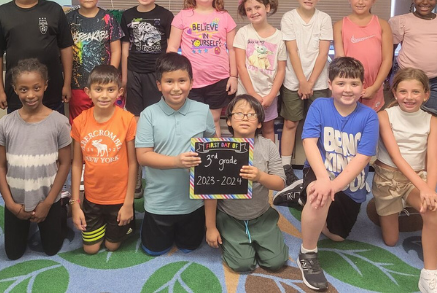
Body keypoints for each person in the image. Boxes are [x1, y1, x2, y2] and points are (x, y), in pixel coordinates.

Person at [283, 57, 379, 291]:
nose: (348, 89)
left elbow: (363, 158)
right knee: (320, 195)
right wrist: (325, 180)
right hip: (320, 172)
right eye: (341, 83)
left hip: (350, 183)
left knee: (337, 236)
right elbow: (309, 142)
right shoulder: (320, 106)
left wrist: (334, 186)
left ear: (362, 87)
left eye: (354, 84)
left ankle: (302, 196)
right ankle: (308, 253)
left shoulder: (369, 116)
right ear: (330, 84)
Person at [0, 58, 72, 260]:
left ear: (45, 85)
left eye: (36, 88)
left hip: (48, 198)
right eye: (23, 89)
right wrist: (9, 203)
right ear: (15, 89)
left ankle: (61, 210)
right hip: (17, 199)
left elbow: (65, 163)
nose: (31, 95)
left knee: (51, 249)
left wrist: (48, 202)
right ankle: (25, 220)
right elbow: (0, 166)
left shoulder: (60, 123)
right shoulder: (5, 124)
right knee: (13, 254)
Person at [372, 68, 437, 293]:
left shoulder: (432, 121)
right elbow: (396, 157)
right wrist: (425, 189)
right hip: (388, 180)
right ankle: (391, 208)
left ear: (426, 94)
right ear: (394, 92)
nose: (409, 97)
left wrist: (429, 192)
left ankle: (430, 275)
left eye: (416, 91)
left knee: (433, 210)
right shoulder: (384, 116)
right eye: (403, 91)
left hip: (417, 180)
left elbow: (433, 162)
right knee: (391, 240)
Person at [135, 52, 215, 255]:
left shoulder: (203, 110)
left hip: (193, 203)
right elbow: (143, 156)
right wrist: (176, 161)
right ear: (159, 85)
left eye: (182, 80)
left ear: (191, 82)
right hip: (159, 203)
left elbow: (212, 145)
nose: (176, 87)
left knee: (190, 246)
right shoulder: (148, 114)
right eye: (169, 81)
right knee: (153, 250)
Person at [205, 95, 288, 272]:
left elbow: (280, 183)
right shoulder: (219, 148)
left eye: (251, 115)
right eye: (239, 114)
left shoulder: (268, 146)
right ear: (228, 121)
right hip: (230, 217)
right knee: (242, 264)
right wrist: (211, 227)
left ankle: (266, 235)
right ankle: (229, 235)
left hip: (261, 215)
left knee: (276, 262)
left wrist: (260, 176)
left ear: (259, 123)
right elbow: (210, 191)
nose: (244, 118)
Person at [70, 65, 137, 254]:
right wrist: (76, 204)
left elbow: (133, 163)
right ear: (88, 92)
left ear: (119, 92)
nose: (104, 95)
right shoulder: (79, 122)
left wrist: (129, 203)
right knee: (90, 249)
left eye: (110, 89)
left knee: (111, 246)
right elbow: (76, 164)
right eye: (98, 89)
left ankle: (129, 220)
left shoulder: (128, 120)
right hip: (93, 199)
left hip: (119, 198)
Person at [121, 0, 174, 198]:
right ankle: (136, 176)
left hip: (156, 75)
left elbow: (172, 47)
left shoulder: (166, 16)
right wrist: (123, 76)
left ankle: (155, 175)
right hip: (133, 73)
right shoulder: (126, 15)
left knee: (155, 122)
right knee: (134, 123)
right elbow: (125, 48)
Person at [167, 0, 237, 136]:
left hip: (219, 79)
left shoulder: (225, 17)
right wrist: (172, 78)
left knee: (213, 120)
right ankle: (192, 160)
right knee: (193, 121)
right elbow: (171, 49)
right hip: (190, 80)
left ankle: (214, 159)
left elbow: (233, 49)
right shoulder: (182, 16)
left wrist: (233, 76)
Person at [279, 0, 332, 186]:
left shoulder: (324, 19)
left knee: (316, 126)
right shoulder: (288, 18)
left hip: (318, 81)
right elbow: (292, 52)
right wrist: (302, 81)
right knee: (291, 122)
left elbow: (323, 53)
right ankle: (285, 167)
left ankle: (315, 166)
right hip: (293, 80)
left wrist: (310, 82)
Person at [389, 0, 437, 115]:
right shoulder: (402, 21)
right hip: (406, 78)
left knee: (429, 120)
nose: (425, 2)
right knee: (402, 118)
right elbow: (391, 49)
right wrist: (387, 76)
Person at [67, 0, 123, 123]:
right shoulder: (69, 20)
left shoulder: (108, 18)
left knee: (109, 122)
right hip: (79, 85)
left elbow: (116, 49)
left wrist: (112, 75)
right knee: (80, 124)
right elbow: (64, 52)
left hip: (106, 84)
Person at [234, 0, 287, 142]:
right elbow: (241, 67)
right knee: (243, 128)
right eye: (249, 9)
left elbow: (281, 70)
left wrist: (270, 96)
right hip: (246, 94)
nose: (253, 12)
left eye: (257, 7)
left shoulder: (280, 37)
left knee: (268, 128)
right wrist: (252, 94)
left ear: (267, 8)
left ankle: (268, 164)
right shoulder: (243, 33)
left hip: (268, 95)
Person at [333, 0, 393, 112]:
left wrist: (375, 87)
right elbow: (340, 59)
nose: (360, 2)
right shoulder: (339, 26)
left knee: (368, 127)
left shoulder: (382, 25)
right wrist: (349, 86)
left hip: (373, 88)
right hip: (347, 88)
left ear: (373, 0)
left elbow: (387, 60)